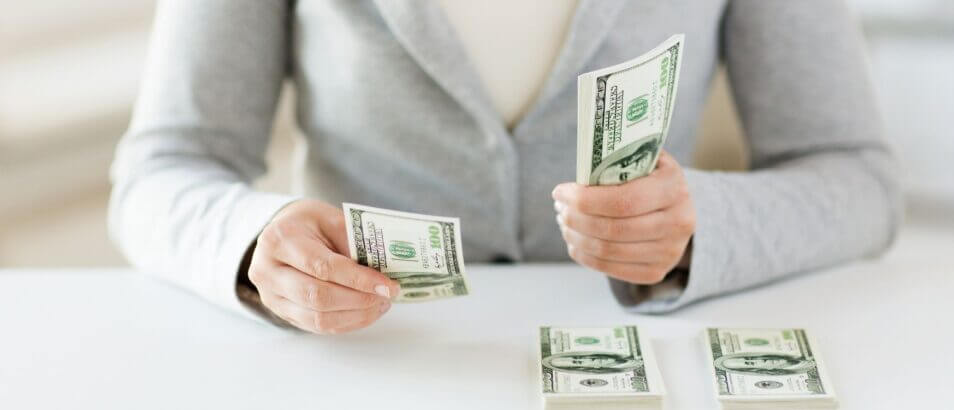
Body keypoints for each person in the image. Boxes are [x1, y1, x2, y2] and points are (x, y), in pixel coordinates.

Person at [109, 0, 900, 334]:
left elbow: (857, 177)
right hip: (369, 364)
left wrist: (700, 229)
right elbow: (164, 167)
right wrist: (255, 245)